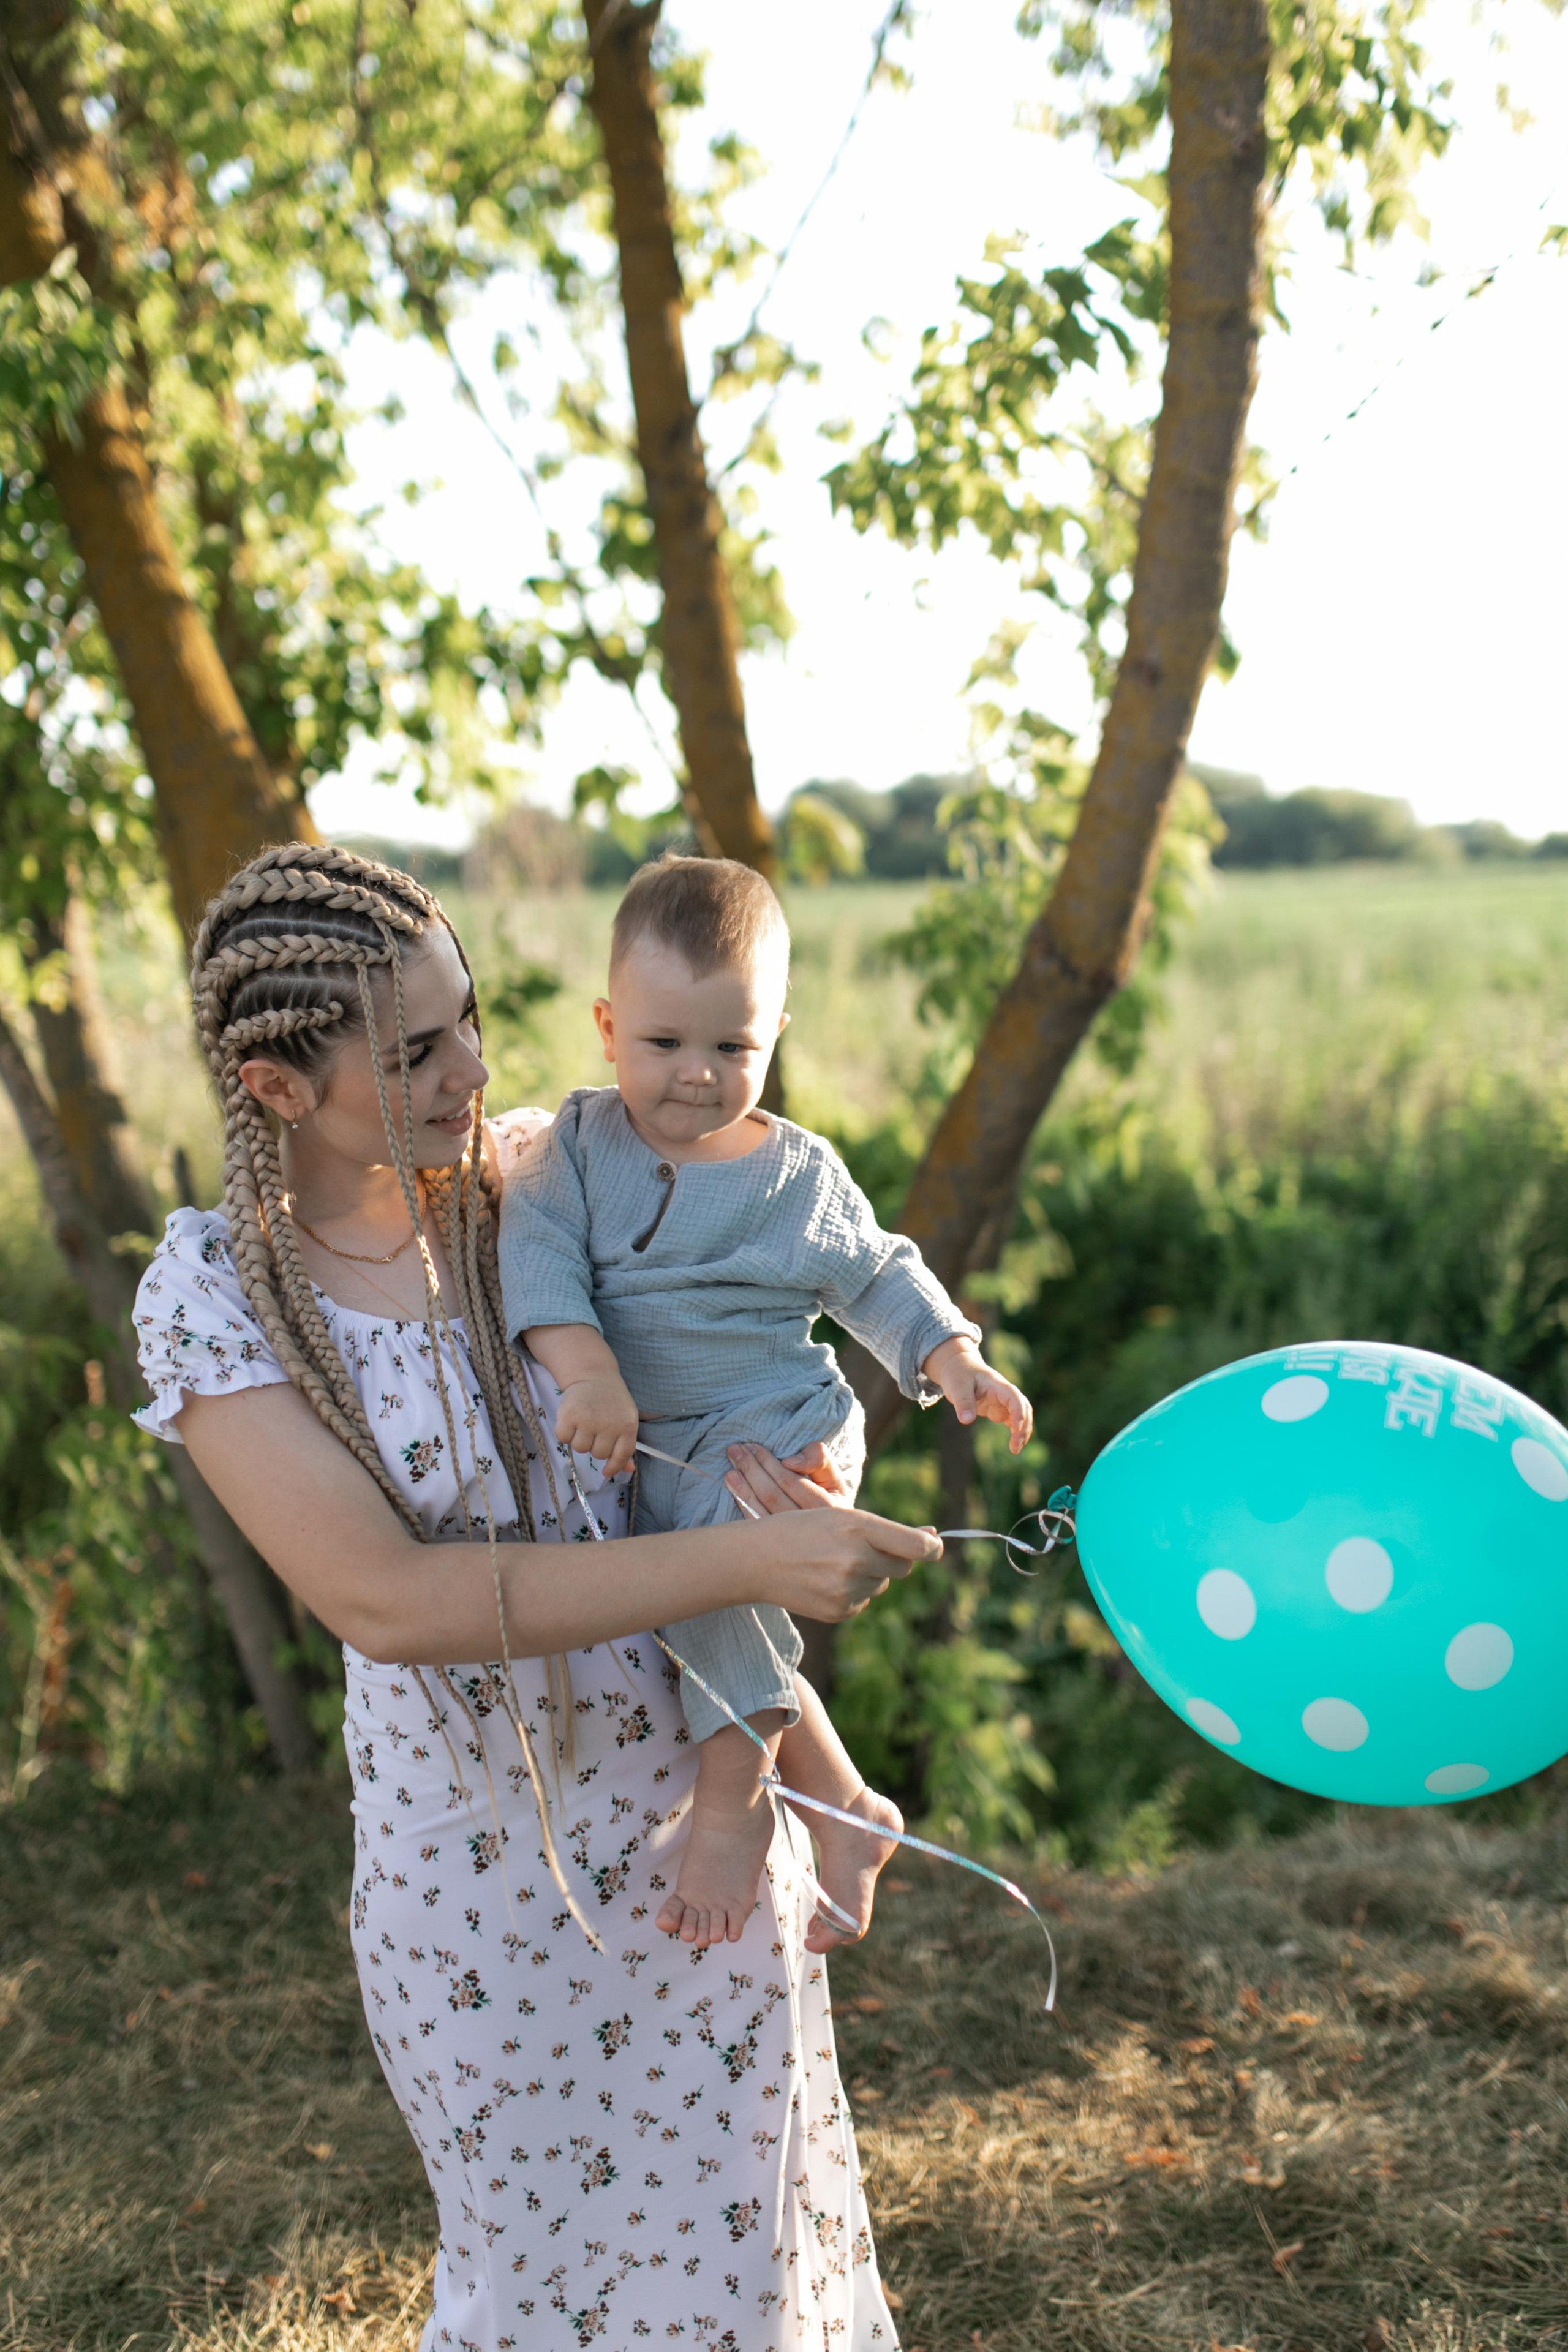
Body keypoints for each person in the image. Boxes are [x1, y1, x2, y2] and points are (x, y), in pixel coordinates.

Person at [130, 842, 938, 2352]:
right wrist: (754, 1563)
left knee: (748, 2259)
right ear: (275, 1086)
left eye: (470, 1021)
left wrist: (817, 1450)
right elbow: (396, 1604)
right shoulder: (220, 1296)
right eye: (414, 1051)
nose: (467, 1071)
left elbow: (738, 1361)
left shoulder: (542, 1178)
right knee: (541, 2276)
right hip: (474, 1877)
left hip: (698, 1805)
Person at [499, 854, 1033, 1954]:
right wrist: (590, 1373)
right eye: (665, 1044)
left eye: (732, 1047)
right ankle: (850, 1810)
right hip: (656, 1441)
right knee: (705, 1594)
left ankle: (737, 1805)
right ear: (608, 1026)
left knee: (717, 1573)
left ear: (776, 1034)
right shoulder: (580, 1145)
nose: (696, 1075)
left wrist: (953, 1360)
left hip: (776, 1422)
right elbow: (536, 1257)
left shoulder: (796, 1178)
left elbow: (879, 1275)